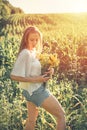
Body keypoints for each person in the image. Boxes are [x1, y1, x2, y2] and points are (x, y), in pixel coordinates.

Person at [10, 26, 66, 130]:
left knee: (31, 120)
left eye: (37, 39)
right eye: (32, 39)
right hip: (36, 91)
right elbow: (13, 76)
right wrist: (36, 80)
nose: (35, 42)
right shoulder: (25, 53)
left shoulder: (33, 52)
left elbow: (34, 71)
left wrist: (50, 71)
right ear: (25, 39)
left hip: (29, 92)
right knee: (61, 115)